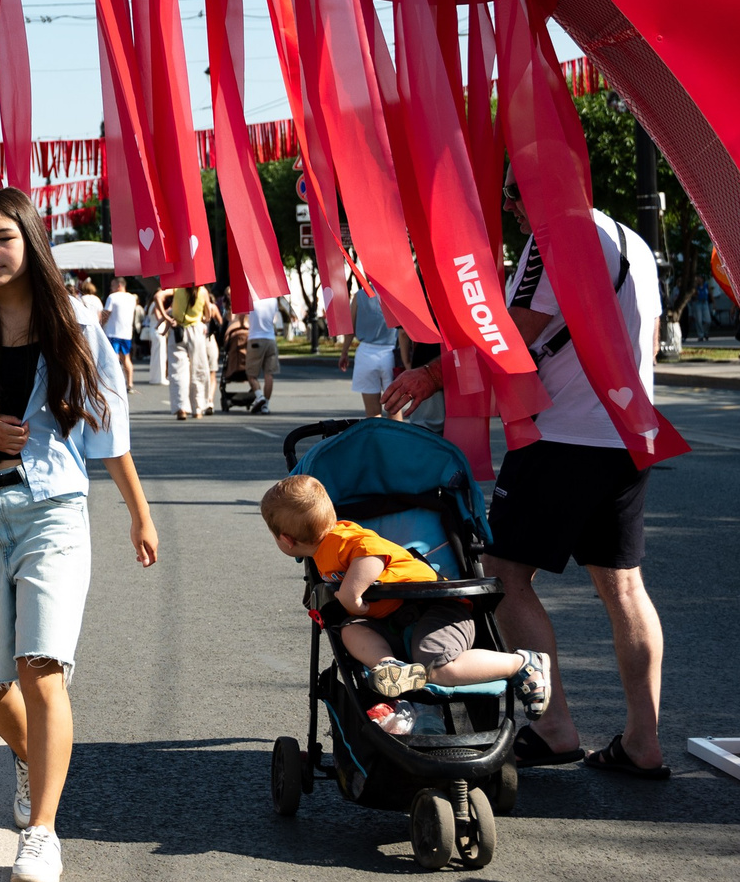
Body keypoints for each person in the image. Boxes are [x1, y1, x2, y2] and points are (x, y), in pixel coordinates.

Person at [0, 188, 159, 882]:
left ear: (30, 240)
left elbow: (107, 425)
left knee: (40, 665)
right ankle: (34, 755)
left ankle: (41, 832)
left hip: (50, 506)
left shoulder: (74, 318)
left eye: (3, 238)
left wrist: (139, 512)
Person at [383, 191, 666, 777]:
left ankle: (555, 727)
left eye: (515, 190)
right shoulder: (633, 241)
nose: (512, 204)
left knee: (506, 575)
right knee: (625, 589)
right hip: (627, 430)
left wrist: (432, 374)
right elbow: (651, 340)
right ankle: (644, 741)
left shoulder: (555, 239)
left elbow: (510, 334)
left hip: (562, 435)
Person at [260, 475, 549, 717]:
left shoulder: (341, 539)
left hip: (437, 610)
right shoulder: (325, 552)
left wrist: (351, 594)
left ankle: (522, 662)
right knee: (351, 630)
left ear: (286, 539)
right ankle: (389, 665)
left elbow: (372, 554)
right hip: (391, 619)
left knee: (437, 667)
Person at [162, 282, 220, 419]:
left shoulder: (176, 288)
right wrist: (202, 318)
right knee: (199, 370)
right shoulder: (203, 291)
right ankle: (198, 408)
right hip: (197, 332)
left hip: (178, 332)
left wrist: (166, 318)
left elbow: (158, 296)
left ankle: (181, 408)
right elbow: (208, 315)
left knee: (178, 372)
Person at [344, 277, 398, 417]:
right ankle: (397, 439)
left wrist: (344, 352)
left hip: (366, 354)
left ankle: (377, 439)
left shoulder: (360, 296)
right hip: (391, 353)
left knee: (372, 413)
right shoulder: (396, 295)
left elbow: (350, 329)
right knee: (394, 409)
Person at [244, 290, 282, 414]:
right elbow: (275, 320)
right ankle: (266, 405)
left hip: (255, 337)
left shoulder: (251, 298)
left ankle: (259, 396)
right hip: (270, 339)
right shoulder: (273, 300)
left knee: (251, 374)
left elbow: (243, 317)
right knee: (269, 374)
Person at [101, 275, 138, 391]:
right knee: (126, 358)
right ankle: (130, 383)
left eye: (112, 285)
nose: (111, 288)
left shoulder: (112, 297)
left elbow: (106, 313)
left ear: (119, 285)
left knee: (113, 358)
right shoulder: (132, 298)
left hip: (113, 332)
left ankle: (113, 383)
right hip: (126, 332)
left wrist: (100, 324)